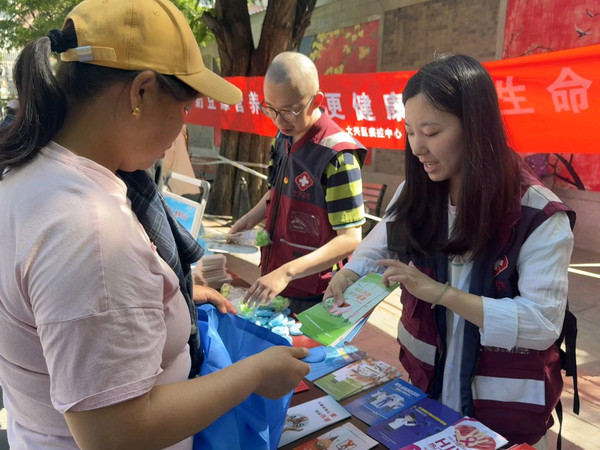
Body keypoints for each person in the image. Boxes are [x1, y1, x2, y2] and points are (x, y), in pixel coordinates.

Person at [0, 0, 310, 448]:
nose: (182, 126)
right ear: (141, 93)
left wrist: (164, 297)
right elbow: (114, 433)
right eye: (184, 108)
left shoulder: (30, 173)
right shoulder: (89, 231)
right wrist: (256, 373)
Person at [324, 54, 575, 449]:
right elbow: (377, 247)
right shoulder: (416, 193)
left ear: (475, 127)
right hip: (426, 395)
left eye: (431, 131)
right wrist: (350, 273)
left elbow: (542, 322)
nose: (417, 147)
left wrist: (440, 293)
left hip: (503, 419)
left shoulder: (538, 214)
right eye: (409, 132)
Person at [231, 51, 367, 313]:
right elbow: (276, 191)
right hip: (277, 277)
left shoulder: (338, 156)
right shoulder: (283, 137)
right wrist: (248, 219)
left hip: (316, 291)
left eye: (289, 112)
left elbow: (350, 238)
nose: (279, 120)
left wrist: (287, 272)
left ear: (316, 101)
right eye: (271, 109)